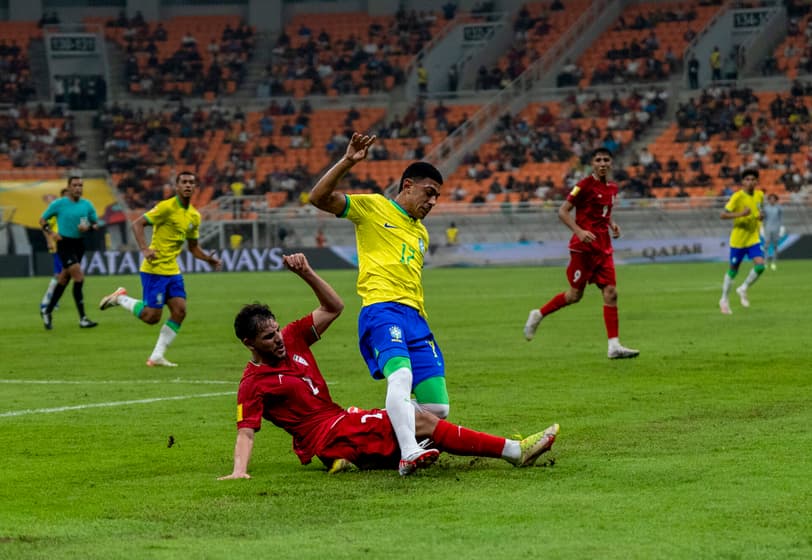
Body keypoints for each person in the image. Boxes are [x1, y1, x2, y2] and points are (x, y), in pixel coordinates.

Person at [218, 253, 559, 479]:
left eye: (276, 330)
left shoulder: (293, 337)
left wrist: (306, 272)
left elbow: (334, 306)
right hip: (327, 433)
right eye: (267, 337)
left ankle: (358, 459)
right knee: (418, 419)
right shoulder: (253, 384)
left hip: (339, 422)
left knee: (414, 417)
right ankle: (514, 451)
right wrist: (239, 470)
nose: (277, 339)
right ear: (249, 344)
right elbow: (246, 431)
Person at [309, 132, 447, 475]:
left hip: (416, 317)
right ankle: (409, 451)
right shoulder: (373, 207)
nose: (432, 202)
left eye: (437, 198)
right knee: (399, 376)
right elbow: (318, 197)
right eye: (428, 193)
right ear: (408, 185)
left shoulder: (421, 233)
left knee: (436, 408)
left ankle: (358, 424)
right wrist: (348, 162)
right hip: (382, 310)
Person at [523, 148, 639, 359]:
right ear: (592, 164)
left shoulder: (612, 188)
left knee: (611, 293)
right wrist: (579, 231)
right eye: (598, 160)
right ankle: (538, 314)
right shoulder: (583, 185)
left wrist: (613, 224)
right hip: (583, 248)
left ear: (611, 163)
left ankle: (614, 345)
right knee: (575, 295)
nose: (602, 163)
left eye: (606, 159)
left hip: (603, 248)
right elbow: (563, 211)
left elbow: (603, 213)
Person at [98, 171, 222, 366]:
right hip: (154, 270)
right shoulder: (166, 207)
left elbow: (193, 247)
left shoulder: (194, 216)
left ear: (195, 187)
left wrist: (208, 259)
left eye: (191, 182)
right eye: (184, 182)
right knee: (151, 317)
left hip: (172, 271)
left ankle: (157, 356)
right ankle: (120, 298)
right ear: (177, 186)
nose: (188, 185)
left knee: (180, 311)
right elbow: (138, 224)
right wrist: (145, 249)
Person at [39, 177, 100, 330]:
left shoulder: (87, 204)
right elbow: (42, 220)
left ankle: (47, 311)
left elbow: (96, 223)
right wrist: (52, 234)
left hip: (79, 244)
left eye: (80, 185)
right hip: (64, 243)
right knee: (78, 276)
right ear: (68, 187)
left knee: (64, 279)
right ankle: (83, 318)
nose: (78, 188)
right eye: (75, 185)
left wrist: (89, 228)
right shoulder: (59, 204)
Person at [718, 169, 765, 314]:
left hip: (753, 238)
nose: (750, 182)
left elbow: (758, 211)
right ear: (743, 182)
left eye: (753, 179)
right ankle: (724, 299)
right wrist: (741, 214)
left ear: (757, 181)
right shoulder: (737, 197)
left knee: (760, 266)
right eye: (747, 179)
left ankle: (743, 288)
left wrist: (760, 217)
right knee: (733, 270)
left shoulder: (760, 195)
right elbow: (723, 215)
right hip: (738, 241)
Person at [39, 188, 68, 313]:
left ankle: (51, 300)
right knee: (60, 274)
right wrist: (49, 241)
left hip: (68, 246)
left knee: (64, 275)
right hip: (58, 246)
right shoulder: (56, 211)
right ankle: (47, 301)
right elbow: (44, 226)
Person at [762, 193, 784, 271]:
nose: (772, 200)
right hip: (768, 228)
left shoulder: (779, 208)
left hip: (776, 228)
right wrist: (762, 228)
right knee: (766, 246)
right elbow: (764, 219)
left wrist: (781, 228)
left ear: (776, 200)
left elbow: (781, 218)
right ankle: (765, 262)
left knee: (775, 246)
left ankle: (774, 263)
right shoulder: (765, 208)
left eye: (773, 199)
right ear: (768, 200)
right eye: (770, 199)